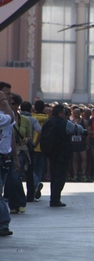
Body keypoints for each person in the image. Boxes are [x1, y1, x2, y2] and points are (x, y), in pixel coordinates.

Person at [44, 105, 85, 207]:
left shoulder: (48, 122)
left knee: (53, 176)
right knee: (61, 176)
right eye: (64, 112)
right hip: (63, 153)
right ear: (59, 113)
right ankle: (55, 199)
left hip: (51, 152)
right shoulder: (65, 123)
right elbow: (78, 130)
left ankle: (53, 198)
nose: (66, 115)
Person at [6, 93, 31, 214]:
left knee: (15, 177)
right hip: (7, 151)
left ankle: (21, 202)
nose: (11, 106)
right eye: (9, 104)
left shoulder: (25, 120)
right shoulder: (5, 119)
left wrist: (27, 139)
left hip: (20, 150)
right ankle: (13, 205)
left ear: (18, 105)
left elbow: (29, 135)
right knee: (9, 179)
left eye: (13, 104)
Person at [0, 86, 19, 236]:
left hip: (4, 158)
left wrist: (15, 157)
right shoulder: (5, 116)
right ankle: (4, 222)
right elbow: (10, 117)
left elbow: (11, 136)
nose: (9, 98)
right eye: (6, 95)